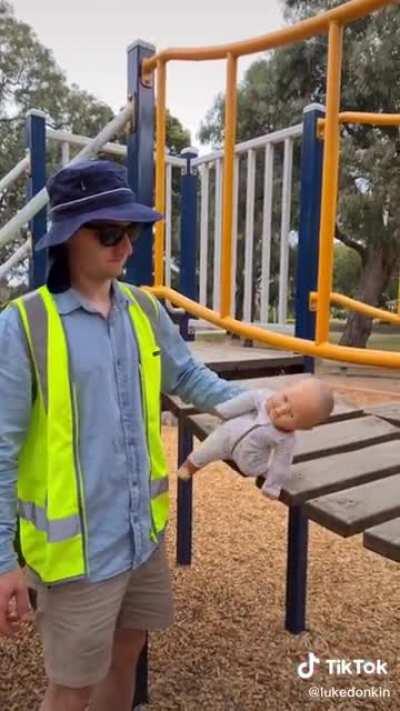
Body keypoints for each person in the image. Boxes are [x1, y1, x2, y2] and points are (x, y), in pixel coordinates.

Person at [0, 158, 244, 711]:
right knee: (70, 688)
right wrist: (3, 562)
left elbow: (184, 374)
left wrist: (253, 405)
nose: (126, 247)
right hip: (77, 556)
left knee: (127, 654)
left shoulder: (141, 307)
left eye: (129, 232)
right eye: (109, 233)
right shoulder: (23, 326)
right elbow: (2, 450)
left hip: (143, 536)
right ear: (67, 239)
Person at [178, 378, 334, 499]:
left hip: (250, 456)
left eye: (291, 415)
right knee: (208, 448)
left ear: (303, 427)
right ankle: (189, 467)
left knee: (253, 468)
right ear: (285, 388)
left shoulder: (286, 439)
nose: (280, 410)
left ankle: (262, 472)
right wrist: (225, 411)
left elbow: (281, 463)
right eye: (285, 399)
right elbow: (248, 398)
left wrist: (272, 486)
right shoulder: (264, 397)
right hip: (228, 435)